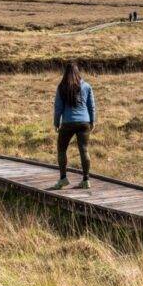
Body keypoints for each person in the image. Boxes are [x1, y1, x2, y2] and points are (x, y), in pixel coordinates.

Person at [53, 60, 95, 189]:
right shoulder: (86, 86)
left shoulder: (61, 87)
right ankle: (86, 180)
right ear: (78, 72)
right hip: (84, 122)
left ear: (65, 73)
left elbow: (58, 108)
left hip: (67, 123)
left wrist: (56, 122)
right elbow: (91, 106)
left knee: (61, 150)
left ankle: (63, 178)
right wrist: (92, 121)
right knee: (84, 150)